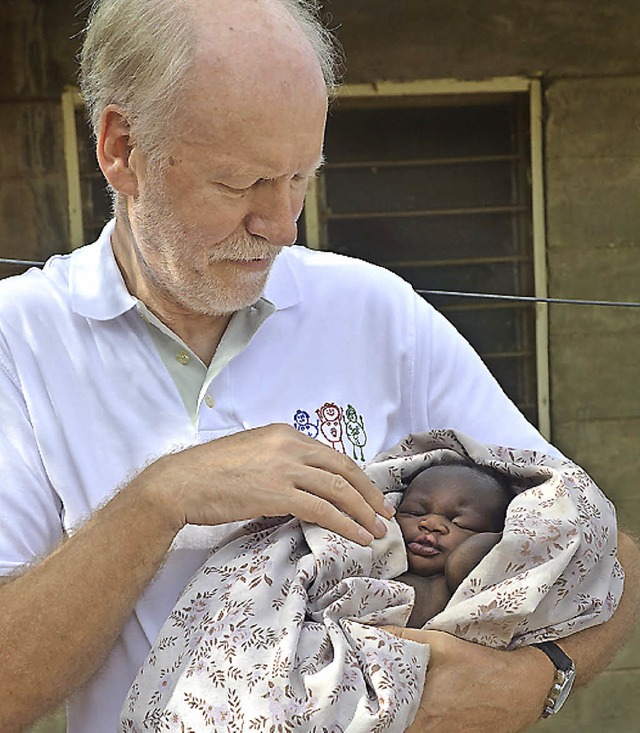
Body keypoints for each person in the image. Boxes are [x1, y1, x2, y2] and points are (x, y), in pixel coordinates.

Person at [0, 1, 637, 731]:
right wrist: (160, 498)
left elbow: (607, 552)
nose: (282, 225)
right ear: (121, 148)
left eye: (300, 176)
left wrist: (535, 678)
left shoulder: (374, 310)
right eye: (240, 184)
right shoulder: (20, 340)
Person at [395, 457, 512, 627]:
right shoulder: (379, 563)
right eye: (414, 512)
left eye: (459, 523)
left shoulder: (461, 584)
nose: (431, 524)